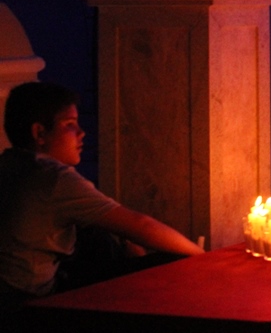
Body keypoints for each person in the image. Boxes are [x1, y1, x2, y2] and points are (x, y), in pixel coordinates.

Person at [0, 82, 203, 309]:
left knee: (95, 232)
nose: (81, 133)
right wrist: (203, 258)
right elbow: (141, 225)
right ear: (39, 133)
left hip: (8, 296)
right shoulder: (52, 178)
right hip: (29, 304)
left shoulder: (9, 163)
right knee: (174, 263)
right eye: (70, 125)